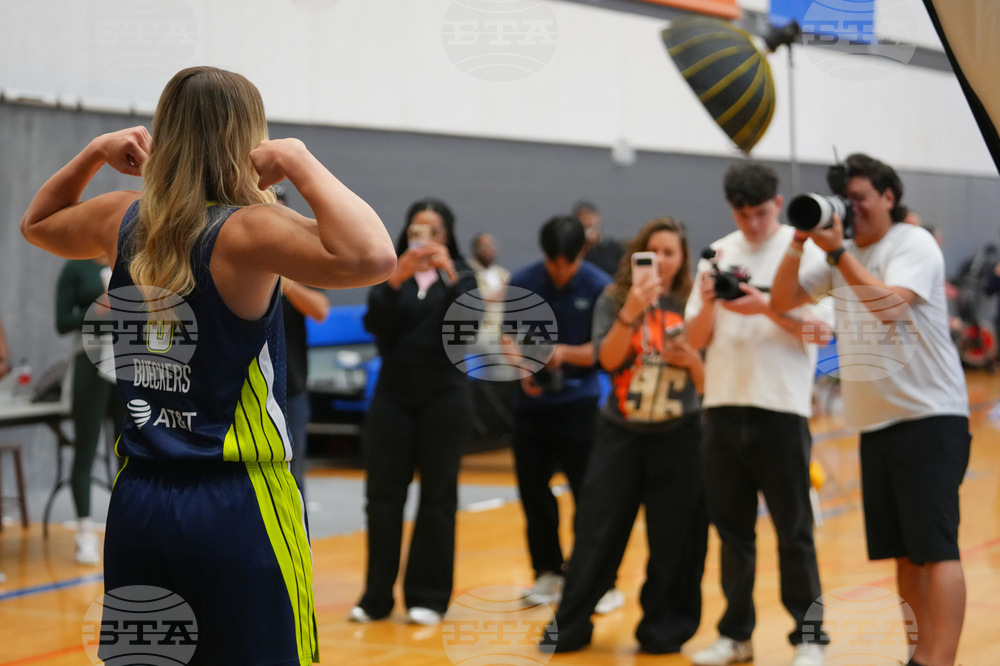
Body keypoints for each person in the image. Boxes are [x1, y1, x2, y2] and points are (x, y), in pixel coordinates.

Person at [20, 66, 396, 664]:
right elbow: (374, 254)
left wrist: (93, 152)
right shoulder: (248, 231)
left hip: (140, 501)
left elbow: (35, 223)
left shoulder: (120, 217)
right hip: (238, 502)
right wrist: (298, 158)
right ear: (248, 137)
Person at [772, 153, 971, 666]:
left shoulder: (912, 243)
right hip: (876, 422)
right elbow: (779, 301)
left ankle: (939, 660)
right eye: (845, 200)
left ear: (888, 196)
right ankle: (918, 655)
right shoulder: (840, 253)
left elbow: (888, 307)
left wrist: (838, 254)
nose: (852, 208)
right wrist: (799, 239)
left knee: (937, 549)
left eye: (860, 197)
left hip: (930, 417)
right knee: (904, 553)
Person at [685, 161, 831, 666]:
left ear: (776, 201)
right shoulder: (718, 253)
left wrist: (766, 306)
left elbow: (822, 335)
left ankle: (810, 638)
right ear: (732, 209)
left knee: (794, 532)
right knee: (732, 532)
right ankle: (736, 635)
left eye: (761, 213)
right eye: (742, 214)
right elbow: (694, 340)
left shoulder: (804, 250)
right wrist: (709, 303)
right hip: (722, 405)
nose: (752, 224)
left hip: (781, 408)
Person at [545, 216, 708, 654]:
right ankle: (571, 624)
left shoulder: (695, 303)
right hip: (621, 432)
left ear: (683, 259)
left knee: (675, 536)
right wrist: (632, 312)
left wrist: (691, 360)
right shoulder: (613, 299)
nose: (661, 261)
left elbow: (708, 380)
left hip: (681, 433)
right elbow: (609, 360)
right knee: (597, 529)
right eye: (652, 252)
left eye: (670, 253)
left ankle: (664, 628)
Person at [350, 197, 478, 626]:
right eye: (416, 231)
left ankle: (428, 596)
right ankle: (376, 597)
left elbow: (468, 330)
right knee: (383, 497)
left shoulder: (463, 277)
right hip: (393, 395)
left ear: (447, 237)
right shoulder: (391, 272)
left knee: (438, 497)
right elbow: (377, 329)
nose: (423, 240)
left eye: (433, 232)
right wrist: (392, 282)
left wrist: (450, 274)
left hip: (445, 395)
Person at [505, 215, 615, 609]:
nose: (560, 271)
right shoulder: (523, 281)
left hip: (579, 405)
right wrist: (522, 366)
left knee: (589, 494)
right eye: (554, 263)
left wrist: (562, 354)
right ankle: (548, 573)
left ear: (581, 252)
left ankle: (599, 580)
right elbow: (507, 336)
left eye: (567, 263)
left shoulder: (601, 287)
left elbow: (606, 351)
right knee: (534, 494)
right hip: (532, 407)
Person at [55, 257, 126, 564]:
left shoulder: (128, 261)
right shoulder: (76, 268)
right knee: (86, 448)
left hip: (125, 361)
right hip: (90, 359)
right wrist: (97, 308)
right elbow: (61, 321)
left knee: (129, 449)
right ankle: (84, 532)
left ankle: (128, 527)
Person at [273, 186, 331, 499]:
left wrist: (281, 277)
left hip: (290, 387)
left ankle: (299, 547)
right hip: (240, 388)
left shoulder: (299, 260)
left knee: (293, 479)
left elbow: (320, 309)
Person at [574, 201, 625, 277]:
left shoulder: (614, 248)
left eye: (589, 217)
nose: (586, 222)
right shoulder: (573, 250)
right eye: (582, 218)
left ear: (597, 218)